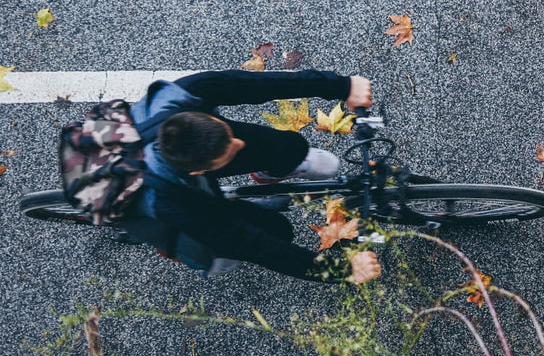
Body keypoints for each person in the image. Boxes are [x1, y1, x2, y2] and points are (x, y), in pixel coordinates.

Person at [120, 69, 377, 283]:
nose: (238, 145)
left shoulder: (185, 94)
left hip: (177, 162)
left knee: (289, 147)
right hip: (164, 200)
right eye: (228, 151)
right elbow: (256, 247)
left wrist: (342, 86)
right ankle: (215, 253)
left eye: (228, 136)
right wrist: (344, 272)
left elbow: (254, 84)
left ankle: (265, 176)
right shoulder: (171, 203)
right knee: (273, 233)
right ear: (198, 171)